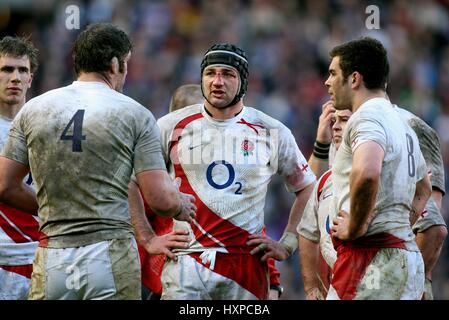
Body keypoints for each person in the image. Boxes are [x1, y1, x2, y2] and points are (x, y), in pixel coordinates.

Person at [0, 23, 196, 300]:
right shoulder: (134, 113)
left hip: (51, 253)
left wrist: (53, 211)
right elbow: (160, 200)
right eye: (126, 63)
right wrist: (179, 203)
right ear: (115, 64)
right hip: (109, 254)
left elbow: (5, 186)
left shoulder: (34, 109)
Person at [154, 43, 315, 300]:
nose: (217, 81)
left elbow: (307, 187)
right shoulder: (169, 126)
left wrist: (288, 242)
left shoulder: (270, 129)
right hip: (187, 262)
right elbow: (135, 181)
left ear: (244, 82)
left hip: (245, 266)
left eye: (228, 74)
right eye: (211, 73)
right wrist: (149, 238)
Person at [132, 83, 285, 300]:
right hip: (169, 283)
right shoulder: (155, 177)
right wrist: (148, 241)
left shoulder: (223, 170)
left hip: (229, 280)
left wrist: (274, 281)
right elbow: (132, 213)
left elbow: (249, 229)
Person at [326, 37, 431, 300]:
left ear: (354, 79)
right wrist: (398, 227)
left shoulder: (367, 116)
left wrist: (355, 227)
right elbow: (423, 188)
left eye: (333, 74)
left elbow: (367, 172)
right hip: (404, 255)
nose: (327, 82)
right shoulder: (402, 121)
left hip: (370, 258)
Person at [298, 107, 351, 300]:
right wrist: (321, 141)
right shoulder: (328, 175)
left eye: (343, 120)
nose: (336, 126)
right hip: (333, 274)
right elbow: (310, 190)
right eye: (334, 120)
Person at [0, 36, 39, 300]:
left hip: (38, 253)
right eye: (6, 69)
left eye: (22, 70)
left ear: (30, 79)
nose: (15, 77)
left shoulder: (49, 126)